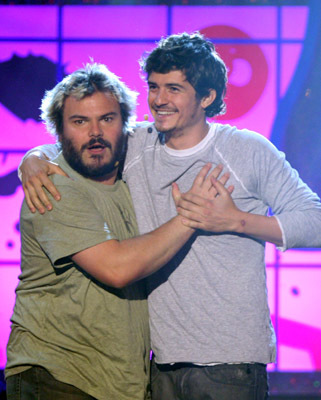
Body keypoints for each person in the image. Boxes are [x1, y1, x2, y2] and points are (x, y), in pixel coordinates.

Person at [18, 33, 321, 400]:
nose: (159, 100)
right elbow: (84, 140)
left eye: (174, 88)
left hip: (229, 366)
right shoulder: (137, 146)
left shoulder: (246, 150)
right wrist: (33, 159)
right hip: (160, 367)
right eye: (154, 86)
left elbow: (315, 221)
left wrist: (235, 220)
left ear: (207, 97)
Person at [5, 62, 230, 400]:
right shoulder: (53, 188)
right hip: (58, 379)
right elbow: (118, 268)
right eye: (79, 122)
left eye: (106, 119)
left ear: (126, 125)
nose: (95, 133)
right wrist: (192, 214)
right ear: (60, 130)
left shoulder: (133, 175)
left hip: (117, 383)